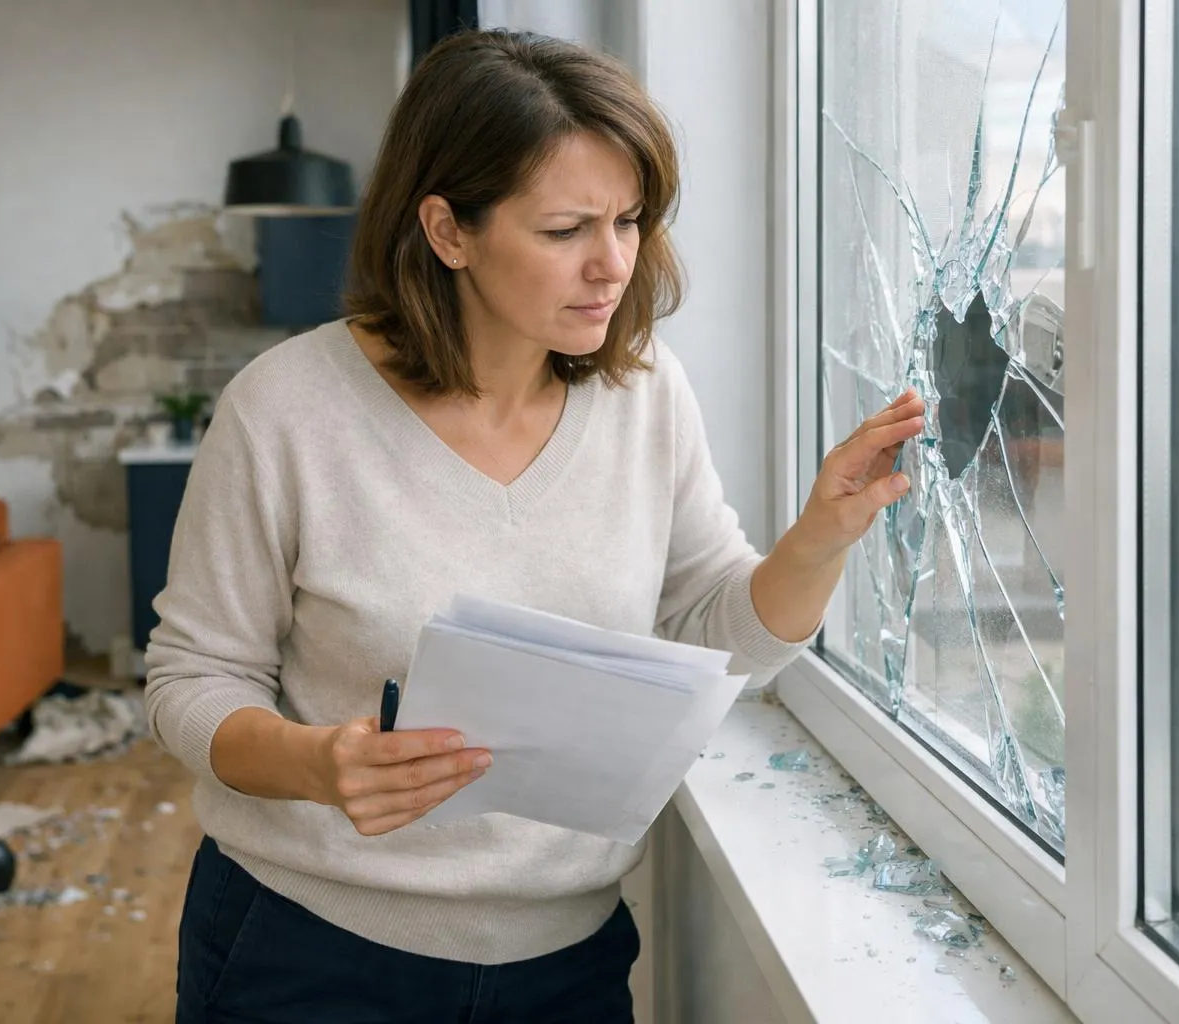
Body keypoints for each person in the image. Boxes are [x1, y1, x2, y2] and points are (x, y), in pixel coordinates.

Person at [144, 27, 923, 1024]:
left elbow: (713, 637)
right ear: (447, 230)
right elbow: (190, 680)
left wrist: (822, 532)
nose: (612, 265)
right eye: (566, 231)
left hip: (566, 963)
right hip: (308, 952)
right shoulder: (285, 410)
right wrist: (317, 765)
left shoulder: (649, 396)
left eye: (631, 221)